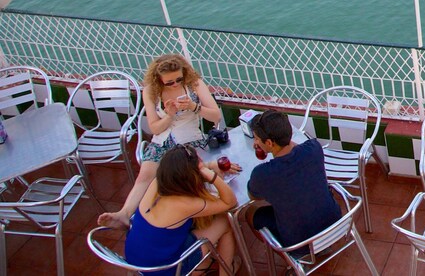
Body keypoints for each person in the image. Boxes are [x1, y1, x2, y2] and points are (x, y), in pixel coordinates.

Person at [100, 54, 226, 230]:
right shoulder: (151, 91)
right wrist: (169, 115)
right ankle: (124, 214)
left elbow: (216, 116)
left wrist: (193, 107)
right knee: (146, 176)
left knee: (186, 178)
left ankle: (191, 218)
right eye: (169, 82)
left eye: (178, 79)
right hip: (162, 140)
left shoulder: (194, 84)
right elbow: (154, 128)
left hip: (189, 140)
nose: (175, 84)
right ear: (158, 79)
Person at [124, 145, 238, 276]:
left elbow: (179, 171)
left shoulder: (158, 183)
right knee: (224, 221)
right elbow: (229, 202)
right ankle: (227, 272)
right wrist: (212, 176)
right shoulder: (184, 204)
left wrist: (208, 165)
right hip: (164, 270)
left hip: (135, 262)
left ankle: (210, 262)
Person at [244, 111, 342, 251]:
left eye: (257, 139)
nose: (255, 143)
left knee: (250, 212)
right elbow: (294, 150)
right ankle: (322, 246)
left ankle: (292, 258)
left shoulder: (263, 174)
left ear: (270, 142)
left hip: (299, 241)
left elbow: (254, 196)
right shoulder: (314, 148)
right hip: (335, 223)